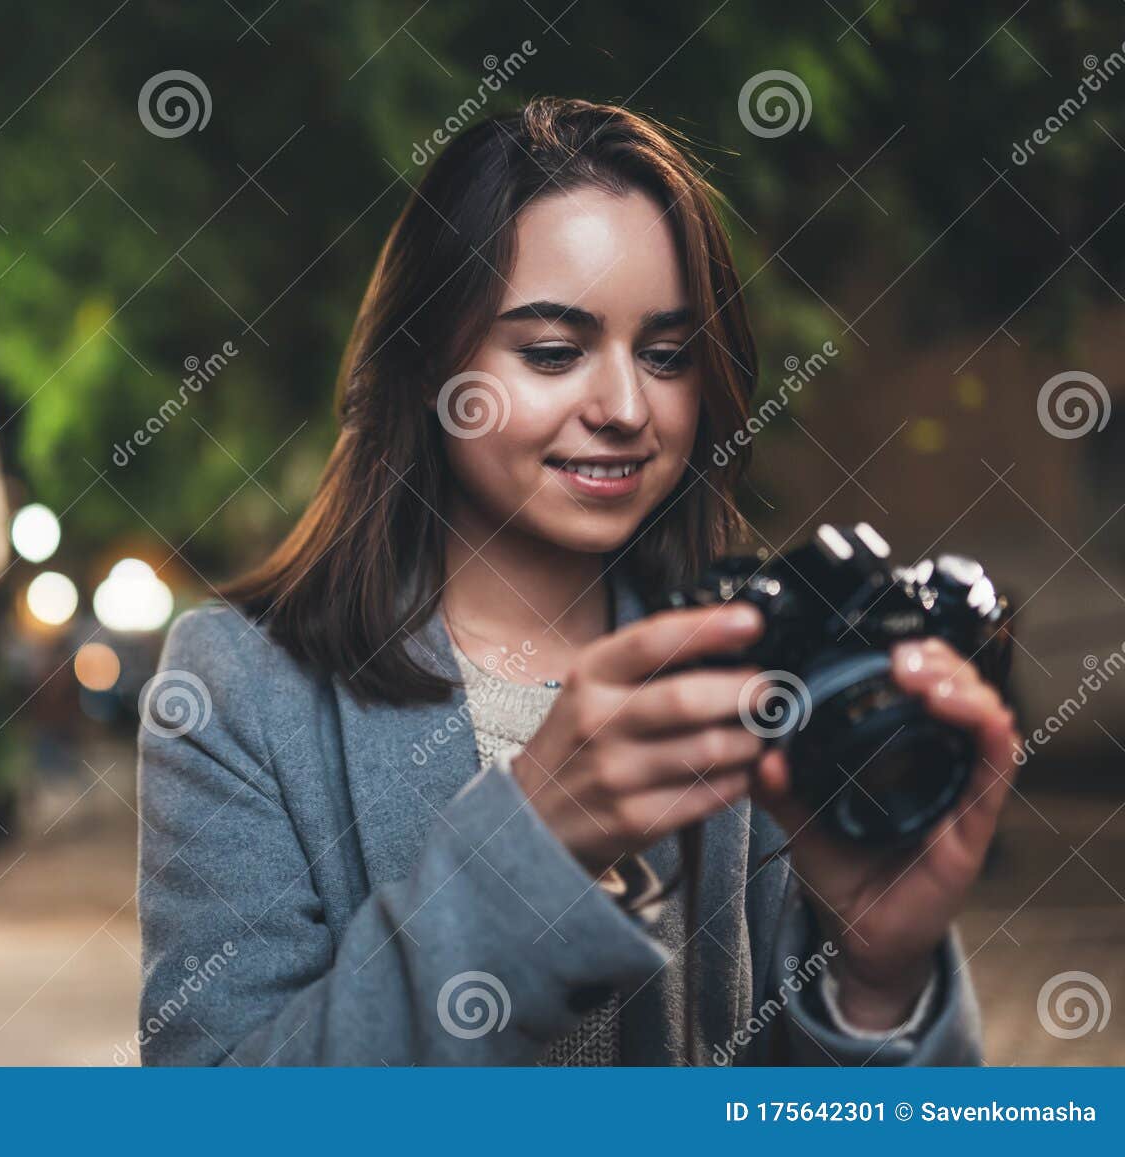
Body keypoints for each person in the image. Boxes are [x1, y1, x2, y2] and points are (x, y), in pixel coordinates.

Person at [134, 97, 1019, 1065]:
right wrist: (529, 854)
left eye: (668, 354)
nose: (625, 406)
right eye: (553, 351)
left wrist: (877, 980)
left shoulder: (754, 662)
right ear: (425, 360)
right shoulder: (240, 687)